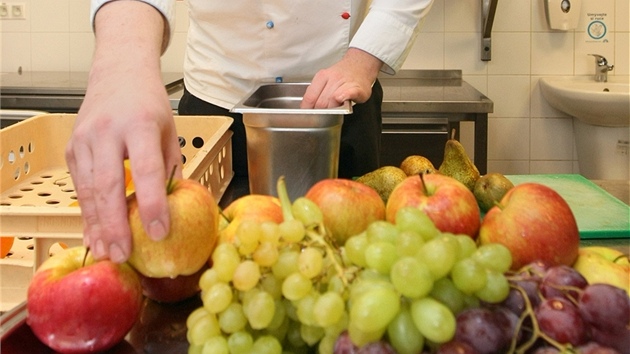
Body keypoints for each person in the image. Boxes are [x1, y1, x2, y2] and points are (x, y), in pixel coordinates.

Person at [66, 0, 434, 263]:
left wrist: (364, 58)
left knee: (346, 255)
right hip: (215, 106)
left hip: (338, 102)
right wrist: (122, 64)